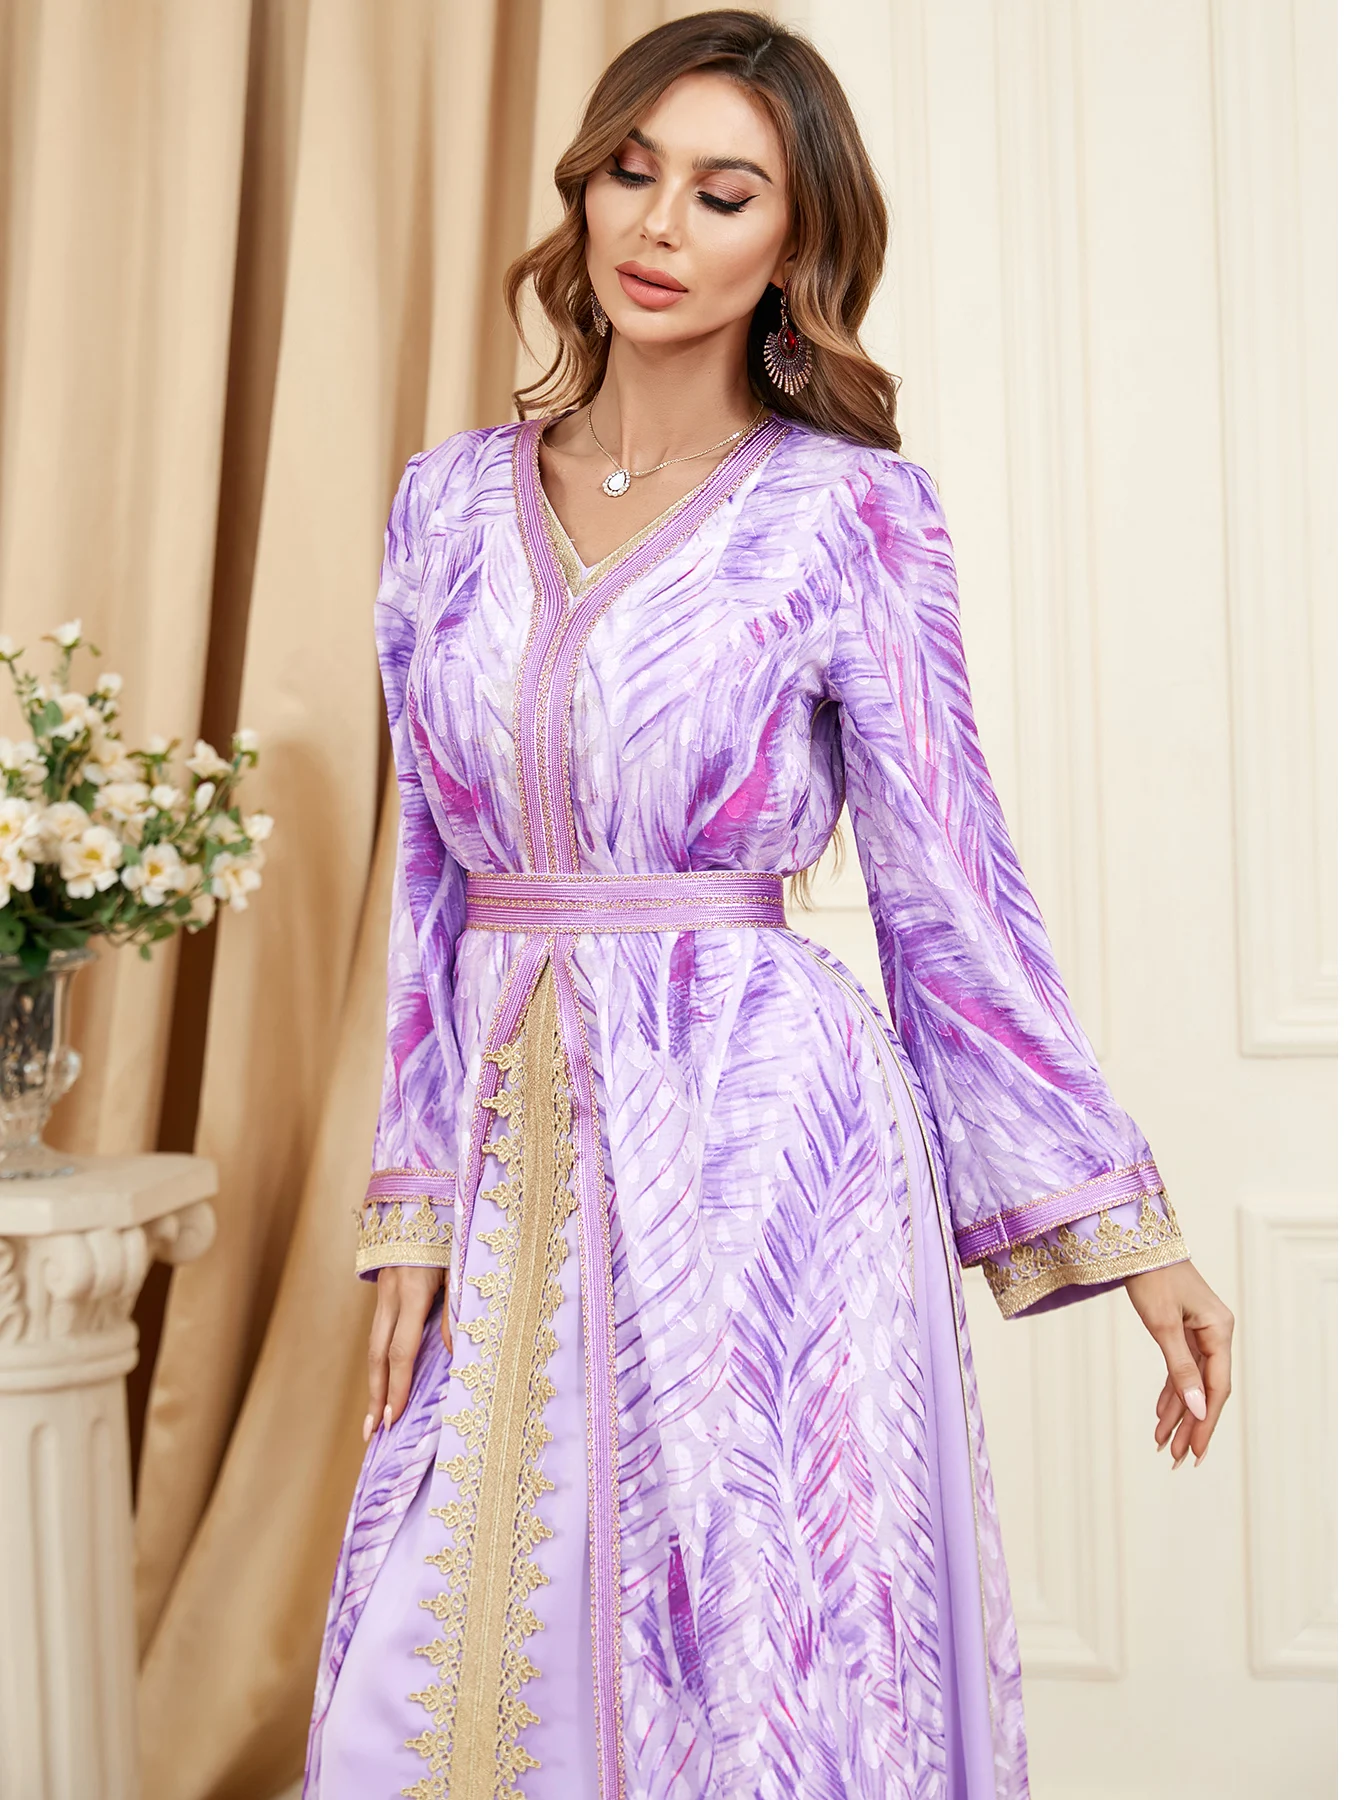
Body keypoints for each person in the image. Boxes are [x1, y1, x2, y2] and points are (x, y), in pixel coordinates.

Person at [303, 12, 1234, 1798]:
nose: (659, 226)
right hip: (502, 1127)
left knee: (755, 1632)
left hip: (758, 1141)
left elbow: (948, 883)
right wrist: (408, 1206)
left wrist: (1130, 1232)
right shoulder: (444, 507)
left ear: (792, 246)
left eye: (722, 195)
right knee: (445, 1644)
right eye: (629, 173)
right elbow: (425, 880)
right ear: (582, 192)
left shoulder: (849, 517)